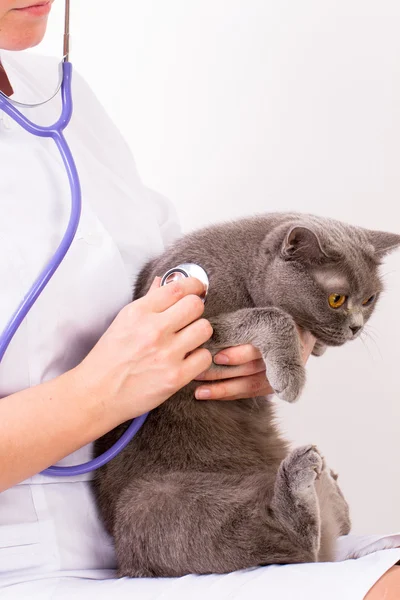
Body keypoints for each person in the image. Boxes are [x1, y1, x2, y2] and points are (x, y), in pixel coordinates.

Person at [0, 2, 399, 598]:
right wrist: (97, 393)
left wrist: (245, 350)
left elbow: (181, 280)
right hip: (35, 565)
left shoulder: (55, 94)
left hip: (205, 507)